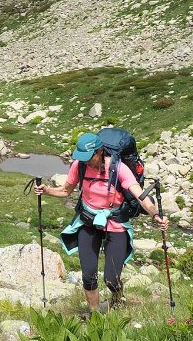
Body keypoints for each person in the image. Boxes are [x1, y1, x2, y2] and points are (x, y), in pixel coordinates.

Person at [34, 132, 168, 313]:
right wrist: (47, 190)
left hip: (115, 224)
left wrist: (154, 214)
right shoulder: (79, 166)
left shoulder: (118, 168)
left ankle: (117, 297)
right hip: (88, 222)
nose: (86, 162)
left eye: (89, 157)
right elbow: (66, 190)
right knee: (88, 276)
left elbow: (140, 195)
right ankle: (95, 315)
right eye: (82, 158)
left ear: (100, 152)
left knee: (111, 279)